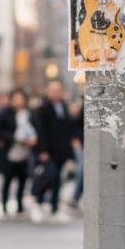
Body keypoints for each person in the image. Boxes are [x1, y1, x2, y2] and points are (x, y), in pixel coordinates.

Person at [31, 80, 73, 221]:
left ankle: (55, 208)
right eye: (53, 90)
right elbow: (40, 130)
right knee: (49, 176)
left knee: (58, 180)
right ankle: (38, 200)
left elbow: (67, 129)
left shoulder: (64, 106)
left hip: (61, 151)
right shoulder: (42, 108)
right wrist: (43, 150)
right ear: (48, 91)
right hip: (48, 151)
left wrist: (69, 152)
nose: (56, 93)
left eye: (58, 90)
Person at [0, 89, 34, 217]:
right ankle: (4, 206)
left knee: (22, 181)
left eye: (21, 98)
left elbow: (34, 129)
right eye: (16, 98)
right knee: (7, 181)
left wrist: (32, 139)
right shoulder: (6, 113)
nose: (18, 101)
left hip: (25, 152)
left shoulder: (28, 114)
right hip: (10, 152)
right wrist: (14, 137)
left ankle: (19, 205)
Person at [68, 99, 85, 209]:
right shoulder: (82, 111)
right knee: (81, 171)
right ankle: (75, 197)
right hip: (82, 146)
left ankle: (76, 197)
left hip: (89, 145)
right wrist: (75, 139)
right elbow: (75, 126)